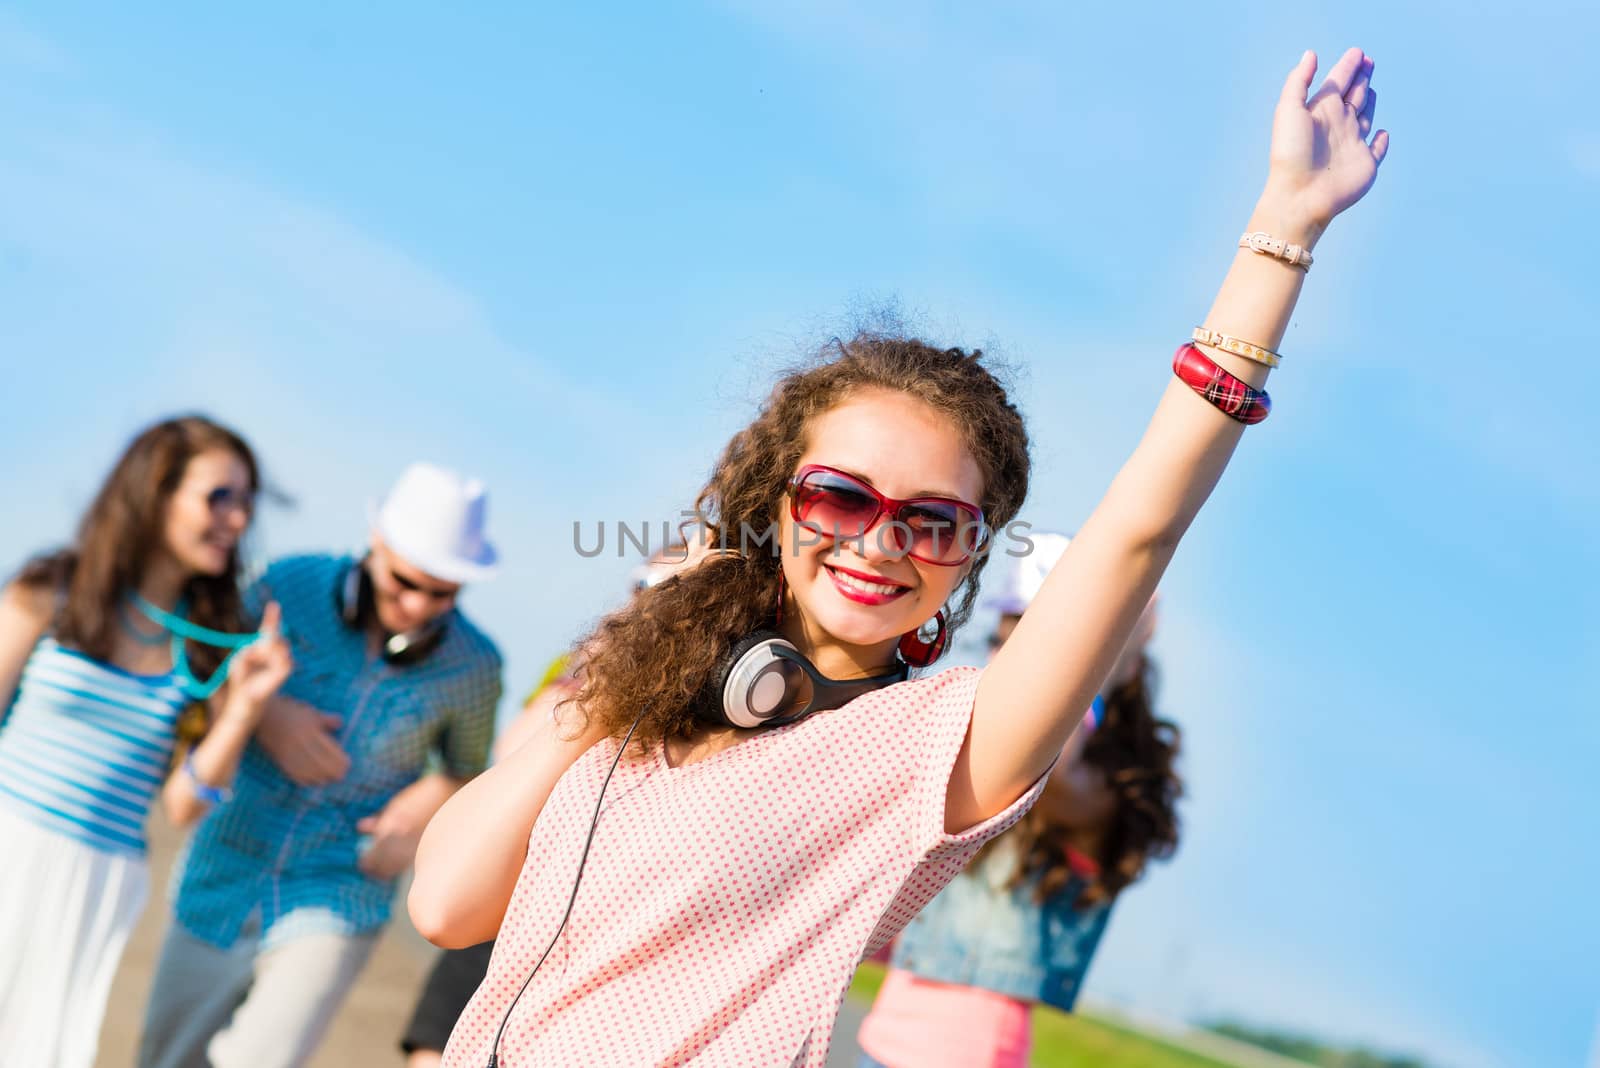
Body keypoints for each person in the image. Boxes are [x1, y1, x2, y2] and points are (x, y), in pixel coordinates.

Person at [410, 47, 1388, 1067]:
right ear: (775, 502)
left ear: (969, 556)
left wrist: (1283, 231)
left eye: (932, 521)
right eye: (840, 495)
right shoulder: (646, 693)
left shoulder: (933, 747)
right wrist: (644, 651)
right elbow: (444, 904)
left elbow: (1139, 527)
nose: (879, 542)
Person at [138, 462, 505, 1068]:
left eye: (441, 593)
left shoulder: (476, 667)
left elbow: (466, 772)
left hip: (340, 890)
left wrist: (423, 808)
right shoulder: (287, 584)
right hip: (221, 865)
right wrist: (270, 712)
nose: (416, 607)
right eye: (403, 582)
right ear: (376, 543)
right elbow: (204, 670)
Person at [0, 415, 289, 1068]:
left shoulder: (210, 638)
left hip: (100, 878)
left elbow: (184, 806)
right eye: (219, 496)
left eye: (246, 501)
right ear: (154, 492)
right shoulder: (51, 590)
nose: (238, 518)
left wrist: (244, 710)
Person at [855, 534, 1181, 1067]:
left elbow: (1051, 754)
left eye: (1038, 643)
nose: (1012, 661)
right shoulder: (975, 758)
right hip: (882, 1043)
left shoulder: (1097, 794)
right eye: (1005, 639)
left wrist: (1103, 651)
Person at [398, 540, 702, 1068]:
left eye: (675, 596)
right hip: (507, 893)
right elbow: (507, 751)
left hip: (585, 929)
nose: (650, 607)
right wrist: (601, 679)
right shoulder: (580, 669)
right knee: (435, 1045)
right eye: (644, 586)